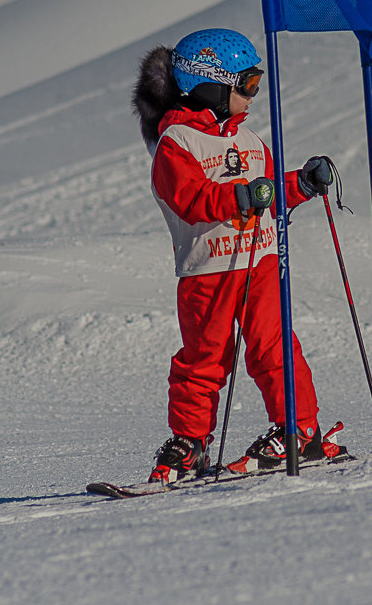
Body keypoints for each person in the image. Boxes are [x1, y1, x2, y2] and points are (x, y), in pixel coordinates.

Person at [131, 28, 344, 483]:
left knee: (274, 346)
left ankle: (300, 430)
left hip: (260, 260)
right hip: (206, 268)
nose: (253, 96)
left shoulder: (249, 142)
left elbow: (268, 191)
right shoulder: (177, 144)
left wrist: (301, 185)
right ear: (209, 84)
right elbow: (191, 198)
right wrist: (242, 196)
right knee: (203, 358)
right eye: (246, 85)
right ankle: (191, 444)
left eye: (256, 85)